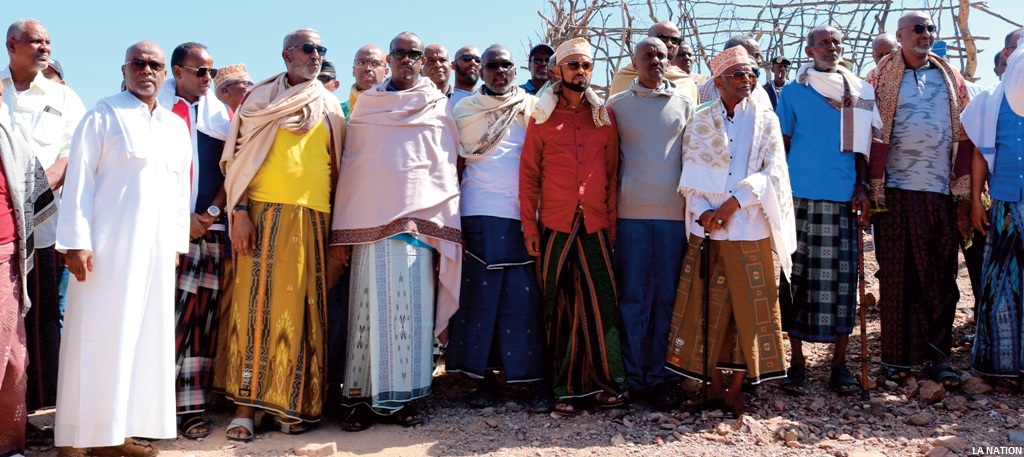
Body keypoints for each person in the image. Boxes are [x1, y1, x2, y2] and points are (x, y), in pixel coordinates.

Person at [55, 40, 191, 457]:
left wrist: (174, 244)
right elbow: (79, 180)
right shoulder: (102, 114)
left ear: (164, 73)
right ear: (125, 69)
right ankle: (79, 438)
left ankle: (120, 434)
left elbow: (178, 191)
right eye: (138, 63)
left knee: (143, 340)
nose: (146, 70)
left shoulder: (174, 126)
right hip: (105, 250)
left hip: (155, 253)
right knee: (94, 337)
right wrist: (76, 242)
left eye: (154, 65)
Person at [218, 27, 345, 441]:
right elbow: (236, 159)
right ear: (287, 53)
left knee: (305, 314)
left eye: (321, 50)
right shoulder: (259, 99)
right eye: (309, 48)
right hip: (261, 215)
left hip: (315, 220)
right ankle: (246, 409)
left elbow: (341, 167)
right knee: (254, 312)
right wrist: (238, 212)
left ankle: (292, 406)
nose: (316, 55)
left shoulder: (327, 103)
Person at [330, 31, 462, 431]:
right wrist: (344, 227)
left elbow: (445, 166)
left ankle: (407, 399)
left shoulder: (438, 106)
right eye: (401, 53)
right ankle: (358, 399)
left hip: (418, 230)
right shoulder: (368, 105)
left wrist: (440, 223)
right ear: (389, 60)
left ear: (423, 61)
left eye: (415, 54)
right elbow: (355, 167)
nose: (408, 59)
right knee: (366, 316)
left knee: (410, 319)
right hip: (369, 229)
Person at [665, 44, 795, 417]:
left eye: (751, 73)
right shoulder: (701, 118)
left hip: (749, 227)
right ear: (718, 81)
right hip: (708, 229)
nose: (747, 80)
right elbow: (689, 168)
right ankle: (712, 384)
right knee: (707, 307)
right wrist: (706, 211)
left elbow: (774, 172)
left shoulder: (766, 118)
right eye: (738, 74)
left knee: (749, 309)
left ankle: (738, 387)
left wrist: (734, 203)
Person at [866, 11, 974, 387]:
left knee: (941, 277)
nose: (926, 34)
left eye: (930, 28)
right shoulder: (880, 76)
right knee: (898, 276)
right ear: (900, 36)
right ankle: (899, 360)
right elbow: (862, 129)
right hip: (894, 191)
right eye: (918, 29)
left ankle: (939, 357)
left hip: (942, 192)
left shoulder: (950, 76)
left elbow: (968, 130)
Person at [520, 37, 627, 416]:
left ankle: (606, 384)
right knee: (559, 306)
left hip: (595, 223)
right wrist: (530, 230)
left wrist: (611, 228)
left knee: (602, 304)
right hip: (555, 224)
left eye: (587, 66)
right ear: (557, 71)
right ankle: (564, 389)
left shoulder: (604, 118)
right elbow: (529, 176)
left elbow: (612, 175)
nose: (581, 72)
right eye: (574, 65)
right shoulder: (543, 117)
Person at [776, 26, 880, 397]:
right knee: (796, 280)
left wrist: (862, 186)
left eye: (836, 42)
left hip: (842, 197)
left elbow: (864, 147)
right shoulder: (792, 92)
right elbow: (781, 146)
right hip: (799, 197)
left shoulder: (860, 92)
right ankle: (797, 364)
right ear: (809, 50)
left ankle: (839, 366)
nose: (831, 48)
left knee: (842, 282)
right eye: (824, 43)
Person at [446, 44, 547, 410]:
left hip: (522, 215)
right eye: (492, 66)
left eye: (505, 65)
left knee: (522, 301)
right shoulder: (464, 110)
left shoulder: (531, 106)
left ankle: (530, 380)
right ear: (482, 71)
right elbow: (452, 164)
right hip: (476, 213)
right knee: (480, 300)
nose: (499, 71)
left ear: (513, 69)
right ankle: (482, 381)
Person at [1, 17, 85, 418]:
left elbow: (72, 155)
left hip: (44, 226)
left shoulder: (65, 98)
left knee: (42, 320)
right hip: (1, 228)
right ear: (11, 45)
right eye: (35, 41)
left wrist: (32, 197)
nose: (44, 47)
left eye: (48, 41)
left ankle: (39, 413)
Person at [606, 37, 694, 408]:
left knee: (666, 299)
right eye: (647, 56)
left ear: (669, 58)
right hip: (631, 218)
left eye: (661, 54)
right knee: (632, 299)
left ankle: (659, 378)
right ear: (634, 61)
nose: (655, 60)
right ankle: (630, 377)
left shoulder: (687, 104)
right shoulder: (616, 106)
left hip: (673, 219)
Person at [157, 41, 232, 440]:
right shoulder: (155, 112)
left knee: (199, 324)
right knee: (162, 322)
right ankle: (153, 408)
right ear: (177, 71)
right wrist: (179, 220)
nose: (208, 80)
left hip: (210, 232)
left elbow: (229, 171)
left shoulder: (220, 117)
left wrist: (210, 216)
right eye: (200, 72)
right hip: (162, 234)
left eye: (212, 72)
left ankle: (190, 409)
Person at [964, 26, 1024, 391]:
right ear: (1006, 56)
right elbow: (979, 154)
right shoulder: (988, 101)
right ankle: (1002, 368)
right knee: (1002, 287)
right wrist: (975, 200)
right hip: (1003, 202)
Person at [0, 80, 56, 457]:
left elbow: (33, 191)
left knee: (15, 356)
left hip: (7, 253)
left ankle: (9, 446)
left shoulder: (8, 133)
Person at [608, 21, 698, 103]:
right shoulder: (624, 78)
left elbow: (695, 119)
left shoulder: (686, 82)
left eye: (675, 40)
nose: (669, 44)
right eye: (663, 38)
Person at [696, 35, 772, 107]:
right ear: (731, 55)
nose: (760, 61)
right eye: (755, 56)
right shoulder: (705, 90)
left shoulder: (761, 93)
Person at [341, 44, 388, 118]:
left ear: (386, 72)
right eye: (361, 62)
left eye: (375, 63)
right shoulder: (338, 112)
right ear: (353, 71)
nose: (367, 68)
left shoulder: (396, 107)